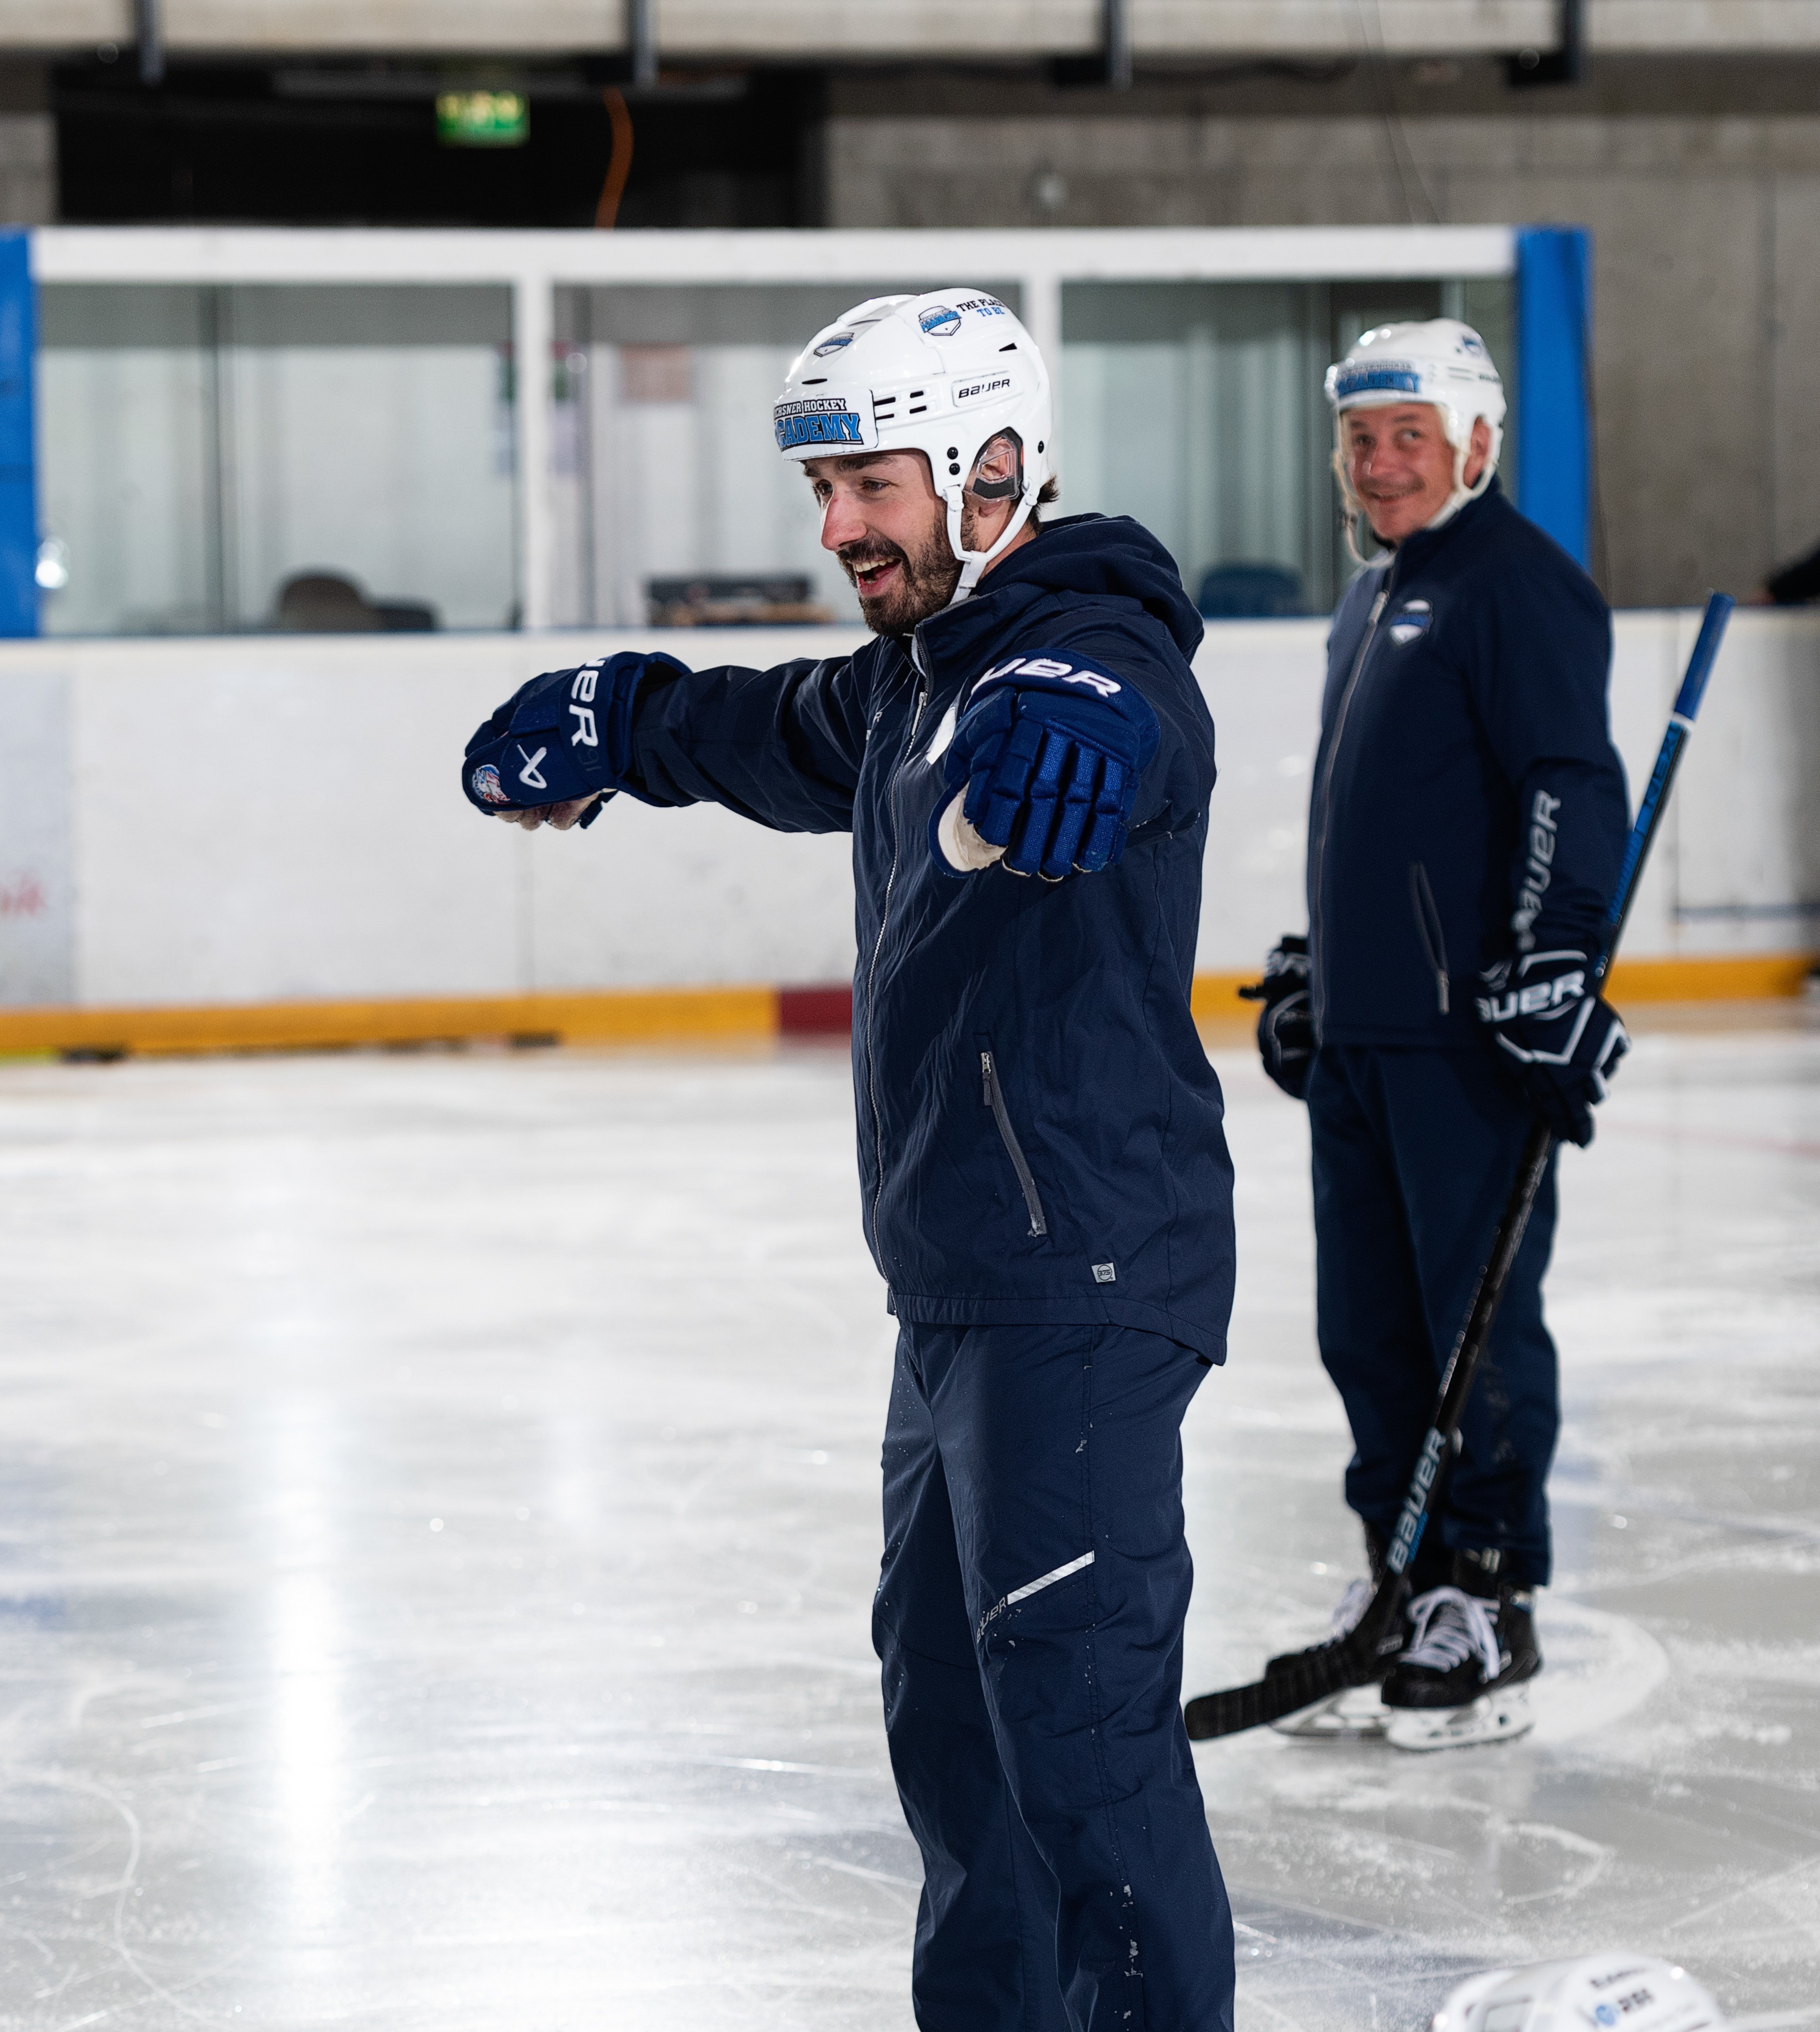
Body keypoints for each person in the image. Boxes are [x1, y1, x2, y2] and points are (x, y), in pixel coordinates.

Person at [459, 290, 1238, 2027]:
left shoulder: (1077, 655)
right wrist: (622, 714)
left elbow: (1130, 706)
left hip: (1083, 1281)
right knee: (962, 1746)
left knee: (1090, 1760)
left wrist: (1085, 731)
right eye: (820, 487)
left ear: (992, 469)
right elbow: (769, 730)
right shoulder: (916, 680)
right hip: (960, 1288)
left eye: (868, 484)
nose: (834, 531)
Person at [1244, 319, 1630, 1750]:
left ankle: (1489, 1596)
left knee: (1476, 1325)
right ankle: (1400, 1587)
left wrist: (1549, 965)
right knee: (1374, 1327)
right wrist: (1317, 968)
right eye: (1360, 437)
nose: (1380, 460)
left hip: (1469, 1038)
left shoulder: (1516, 586)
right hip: (1370, 1031)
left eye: (1409, 434)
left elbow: (1567, 790)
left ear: (1477, 440)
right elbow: (1379, 821)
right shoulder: (1376, 597)